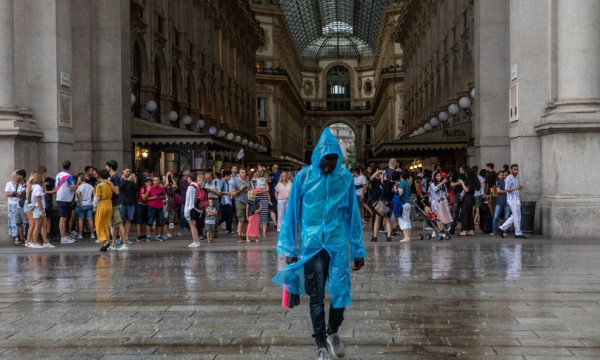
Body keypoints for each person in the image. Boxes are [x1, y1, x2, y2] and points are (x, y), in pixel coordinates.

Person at [273, 128, 366, 360]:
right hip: (312, 246)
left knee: (340, 293)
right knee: (316, 297)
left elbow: (352, 216)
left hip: (336, 245)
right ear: (317, 159)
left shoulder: (344, 177)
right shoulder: (304, 177)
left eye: (332, 163)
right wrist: (288, 249)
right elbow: (292, 214)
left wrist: (358, 249)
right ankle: (320, 343)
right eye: (325, 163)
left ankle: (333, 331)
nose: (328, 168)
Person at [56, 160, 81, 244]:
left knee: (64, 218)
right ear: (70, 167)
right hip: (65, 198)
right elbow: (73, 188)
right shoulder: (68, 176)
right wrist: (78, 183)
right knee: (63, 218)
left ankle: (64, 235)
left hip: (60, 197)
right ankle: (63, 237)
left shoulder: (58, 175)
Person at [499, 164, 526, 239]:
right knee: (517, 216)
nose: (516, 171)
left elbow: (515, 188)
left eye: (517, 169)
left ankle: (502, 228)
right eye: (514, 169)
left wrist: (518, 188)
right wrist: (516, 188)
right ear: (511, 170)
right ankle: (518, 233)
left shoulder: (516, 179)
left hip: (516, 199)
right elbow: (507, 189)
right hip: (512, 199)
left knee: (515, 216)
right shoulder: (508, 178)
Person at [29, 172, 53, 248]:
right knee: (38, 225)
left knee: (44, 225)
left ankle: (46, 242)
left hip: (40, 208)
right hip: (38, 208)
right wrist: (41, 210)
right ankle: (34, 243)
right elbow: (39, 200)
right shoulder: (37, 187)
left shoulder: (37, 187)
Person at [457, 166, 481, 236]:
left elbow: (466, 190)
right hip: (471, 198)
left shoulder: (470, 180)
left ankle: (464, 230)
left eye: (466, 172)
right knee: (470, 215)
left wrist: (462, 182)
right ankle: (471, 230)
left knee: (464, 214)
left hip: (468, 198)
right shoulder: (473, 179)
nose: (465, 173)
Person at [5, 169, 26, 245]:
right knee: (14, 221)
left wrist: (16, 194)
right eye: (17, 175)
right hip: (12, 204)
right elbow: (7, 194)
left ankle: (22, 237)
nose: (18, 177)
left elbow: (23, 193)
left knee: (21, 221)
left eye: (20, 176)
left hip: (20, 205)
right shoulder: (9, 183)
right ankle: (16, 237)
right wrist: (14, 194)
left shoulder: (22, 184)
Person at [96, 170, 115, 251]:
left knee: (99, 223)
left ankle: (104, 240)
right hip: (109, 204)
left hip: (102, 204)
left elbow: (98, 197)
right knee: (107, 223)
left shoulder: (99, 185)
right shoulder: (110, 184)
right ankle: (107, 239)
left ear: (100, 177)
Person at [232, 168, 252, 243]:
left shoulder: (248, 182)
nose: (244, 173)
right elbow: (233, 194)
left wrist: (248, 191)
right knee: (241, 219)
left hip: (247, 202)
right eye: (242, 172)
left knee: (246, 220)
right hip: (239, 202)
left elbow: (250, 192)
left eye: (244, 172)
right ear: (239, 174)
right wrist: (240, 190)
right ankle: (239, 236)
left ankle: (244, 235)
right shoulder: (236, 182)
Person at [491, 169, 511, 236]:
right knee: (496, 217)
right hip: (500, 201)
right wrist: (507, 191)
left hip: (508, 202)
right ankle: (494, 231)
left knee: (506, 218)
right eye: (504, 175)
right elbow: (498, 191)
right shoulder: (499, 181)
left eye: (506, 175)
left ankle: (503, 231)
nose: (504, 176)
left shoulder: (510, 182)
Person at [75, 173, 95, 240]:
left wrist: (80, 203)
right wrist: (92, 202)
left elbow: (78, 196)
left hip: (82, 205)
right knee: (90, 219)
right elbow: (94, 194)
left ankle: (80, 234)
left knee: (80, 219)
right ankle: (92, 234)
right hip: (89, 204)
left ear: (80, 179)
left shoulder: (79, 187)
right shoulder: (90, 186)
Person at [184, 173, 201, 248]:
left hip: (191, 208)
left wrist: (186, 210)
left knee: (192, 225)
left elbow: (189, 199)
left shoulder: (190, 187)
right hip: (197, 209)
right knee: (194, 225)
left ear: (189, 178)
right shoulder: (197, 186)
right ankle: (196, 241)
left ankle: (196, 241)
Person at [396, 171, 412, 242]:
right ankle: (408, 236)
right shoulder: (408, 183)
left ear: (401, 176)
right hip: (408, 203)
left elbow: (399, 193)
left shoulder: (402, 184)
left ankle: (406, 237)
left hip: (403, 203)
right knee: (407, 220)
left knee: (403, 220)